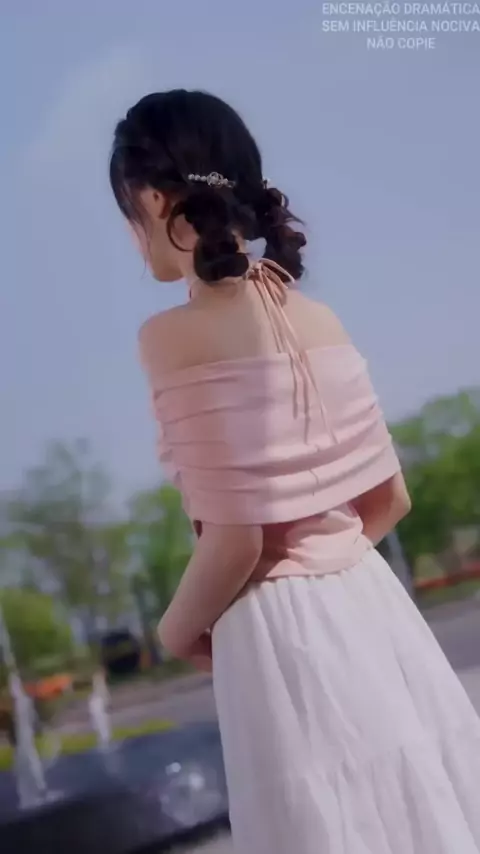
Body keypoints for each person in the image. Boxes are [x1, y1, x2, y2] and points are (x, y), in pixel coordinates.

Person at [109, 89, 480, 853]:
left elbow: (237, 540)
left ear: (152, 198)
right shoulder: (320, 318)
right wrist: (327, 561)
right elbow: (391, 500)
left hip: (280, 634)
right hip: (373, 609)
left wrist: (176, 631)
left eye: (127, 211)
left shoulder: (169, 337)